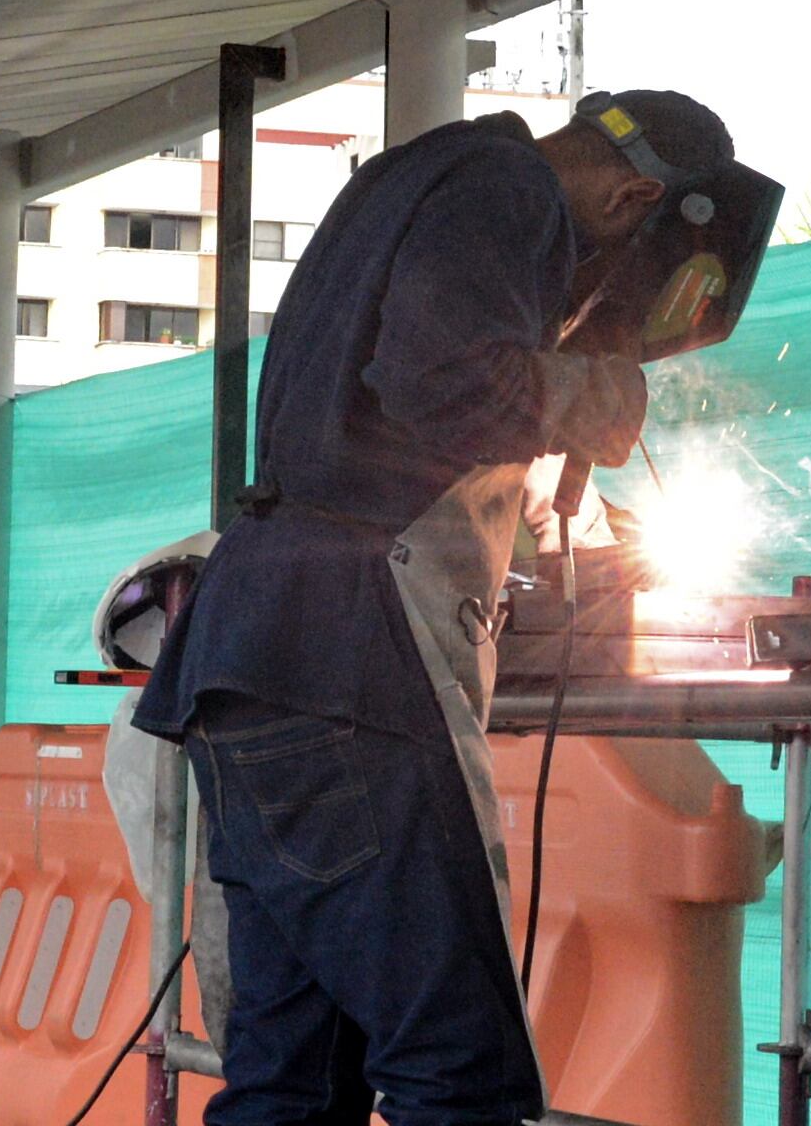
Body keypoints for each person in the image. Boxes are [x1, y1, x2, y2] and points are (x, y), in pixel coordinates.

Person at [132, 90, 738, 1126]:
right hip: (347, 671)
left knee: (294, 1081)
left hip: (255, 661)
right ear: (635, 195)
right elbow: (438, 378)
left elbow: (393, 409)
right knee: (462, 1075)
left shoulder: (410, 180)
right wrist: (590, 395)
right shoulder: (510, 190)